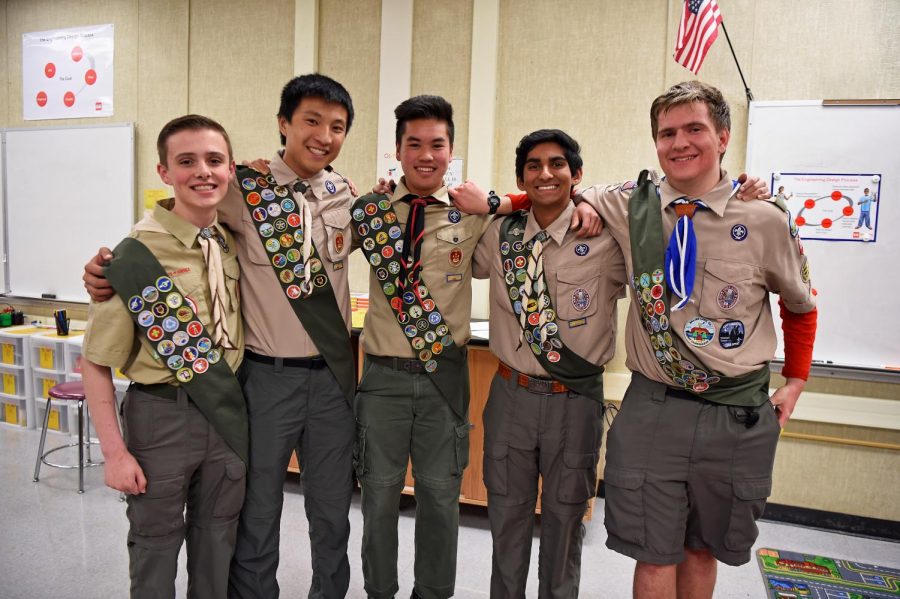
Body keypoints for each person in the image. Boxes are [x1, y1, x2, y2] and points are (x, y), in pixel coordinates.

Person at [84, 74, 359, 599]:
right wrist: (104, 268)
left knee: (330, 514)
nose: (323, 135)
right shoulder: (241, 190)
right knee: (254, 516)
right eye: (311, 121)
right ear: (285, 124)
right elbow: (174, 225)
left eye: (337, 126)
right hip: (261, 380)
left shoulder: (343, 194)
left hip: (329, 381)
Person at [351, 96, 602, 599]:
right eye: (414, 144)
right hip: (380, 378)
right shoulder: (369, 212)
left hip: (444, 376)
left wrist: (587, 198)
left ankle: (434, 592)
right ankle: (379, 590)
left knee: (441, 496)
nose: (426, 155)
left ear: (451, 151)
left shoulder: (473, 215)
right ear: (397, 151)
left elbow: (541, 195)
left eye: (437, 145)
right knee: (376, 497)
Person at [578, 81, 818, 599]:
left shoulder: (765, 218)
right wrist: (506, 200)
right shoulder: (629, 204)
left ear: (723, 136)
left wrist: (797, 379)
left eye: (695, 129)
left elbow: (800, 304)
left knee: (701, 548)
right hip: (654, 407)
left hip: (731, 413)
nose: (680, 142)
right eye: (667, 133)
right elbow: (549, 190)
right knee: (652, 551)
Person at [81, 114, 247, 599]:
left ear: (230, 168)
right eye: (187, 161)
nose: (203, 172)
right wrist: (113, 453)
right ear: (164, 172)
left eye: (215, 160)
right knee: (155, 546)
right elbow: (95, 361)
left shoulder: (227, 241)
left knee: (218, 540)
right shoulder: (133, 256)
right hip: (161, 418)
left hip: (226, 414)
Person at [470, 129, 626, 598]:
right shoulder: (500, 235)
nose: (545, 174)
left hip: (573, 401)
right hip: (510, 394)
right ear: (521, 178)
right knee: (507, 520)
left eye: (558, 164)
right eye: (533, 166)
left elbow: (651, 203)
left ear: (576, 176)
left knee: (564, 523)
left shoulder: (605, 239)